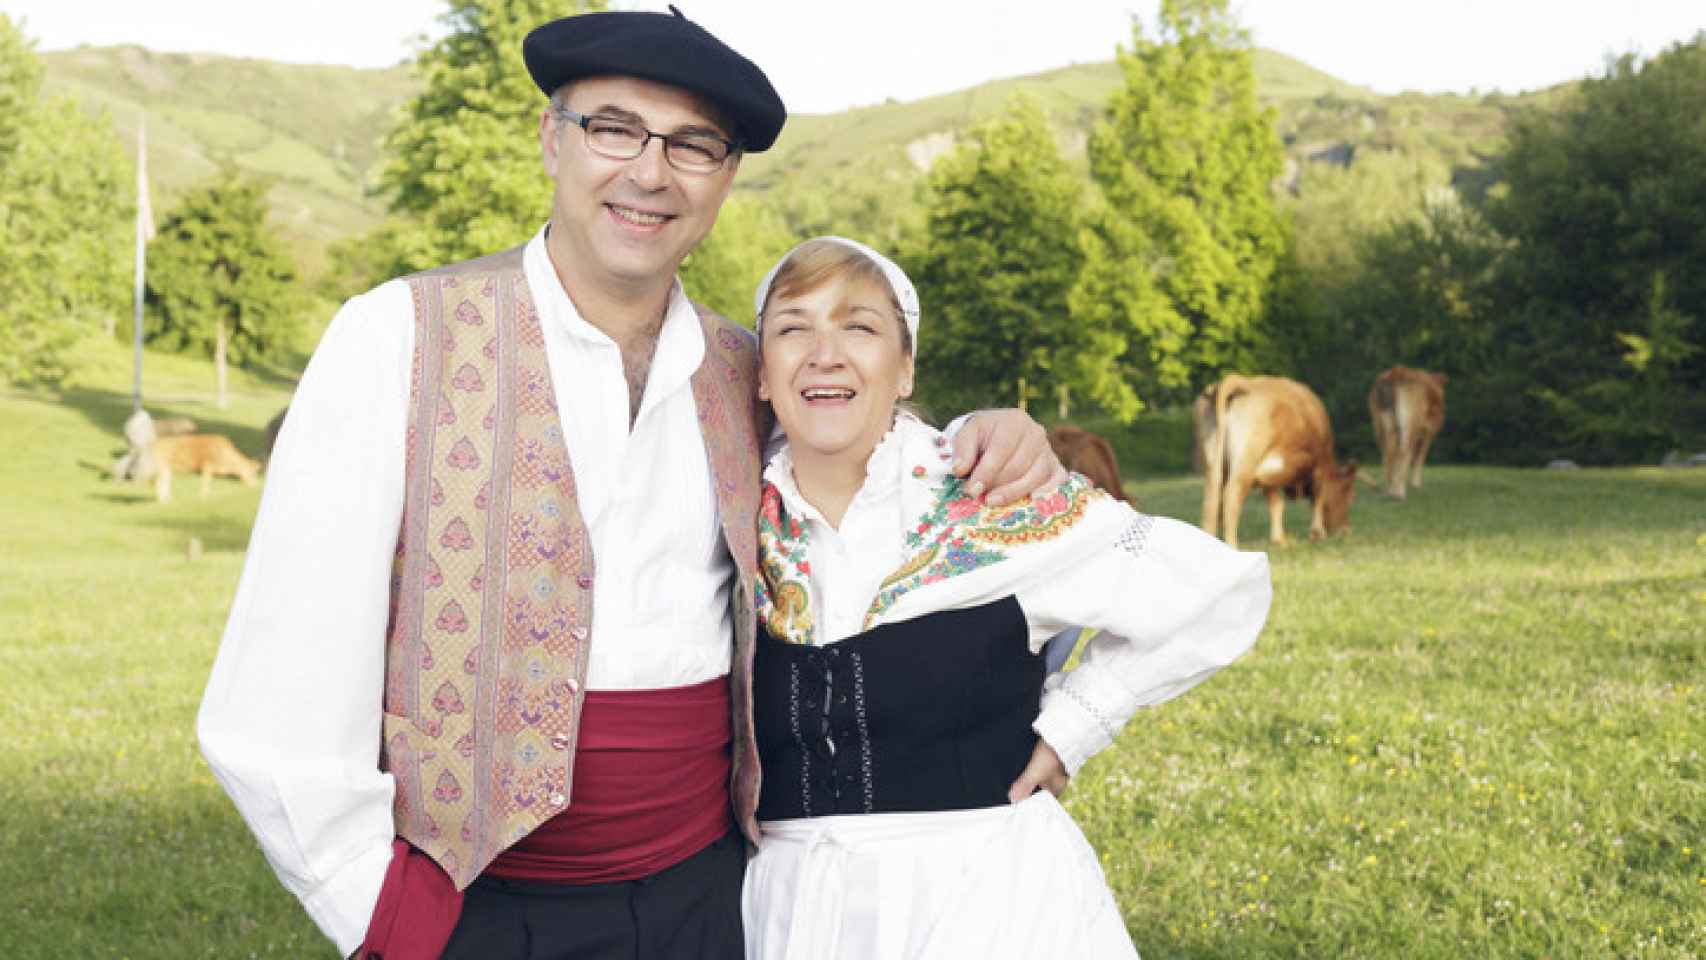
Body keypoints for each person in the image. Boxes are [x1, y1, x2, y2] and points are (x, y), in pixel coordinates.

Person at [195, 11, 1063, 960]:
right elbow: (283, 680)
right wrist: (383, 912)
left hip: (709, 898)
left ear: (725, 179)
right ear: (551, 140)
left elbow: (893, 483)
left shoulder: (750, 371)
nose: (649, 172)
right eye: (613, 127)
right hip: (471, 906)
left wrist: (995, 439)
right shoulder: (396, 337)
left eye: (693, 144)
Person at [741, 237, 1274, 959]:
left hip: (986, 905)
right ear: (764, 376)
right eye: (792, 326)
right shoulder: (734, 517)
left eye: (859, 326)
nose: (824, 352)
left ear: (904, 370)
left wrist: (1079, 722)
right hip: (791, 914)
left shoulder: (993, 497)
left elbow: (1217, 593)